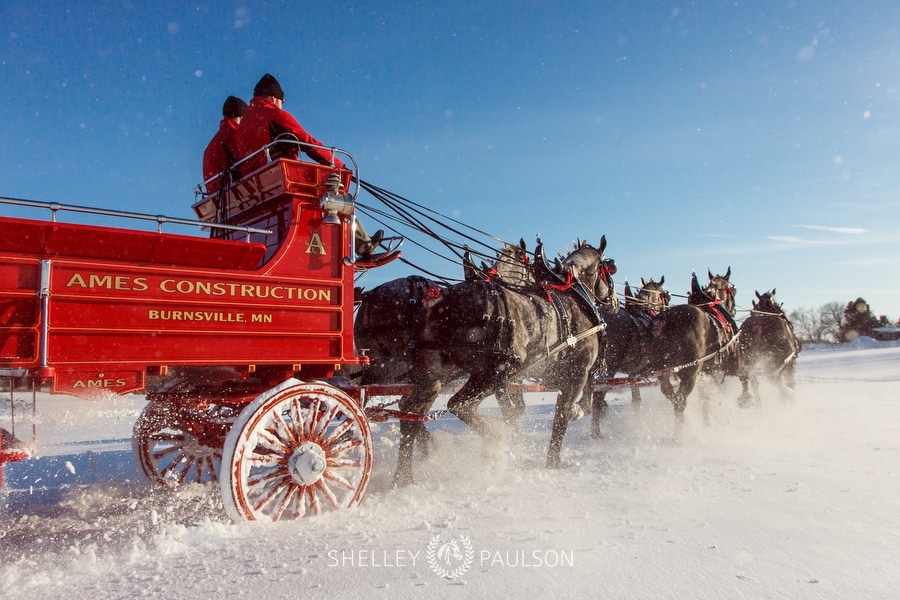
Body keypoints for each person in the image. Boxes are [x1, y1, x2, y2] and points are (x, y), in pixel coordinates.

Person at [235, 74, 386, 262]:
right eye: (281, 101)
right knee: (333, 197)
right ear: (274, 98)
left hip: (258, 187)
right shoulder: (273, 114)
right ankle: (362, 247)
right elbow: (306, 141)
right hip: (282, 180)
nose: (281, 105)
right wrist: (338, 165)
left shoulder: (243, 126)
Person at [202, 95, 248, 195]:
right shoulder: (233, 134)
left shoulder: (215, 141)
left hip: (217, 196)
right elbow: (248, 159)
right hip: (234, 193)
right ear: (241, 117)